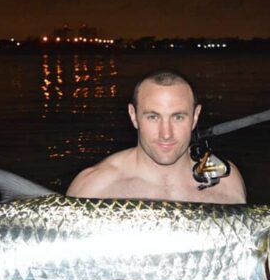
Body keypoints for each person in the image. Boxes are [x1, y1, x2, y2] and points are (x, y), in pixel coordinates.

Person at [66, 70, 246, 203]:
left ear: (195, 117)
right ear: (133, 115)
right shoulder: (92, 189)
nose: (166, 134)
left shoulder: (227, 182)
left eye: (178, 117)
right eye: (153, 117)